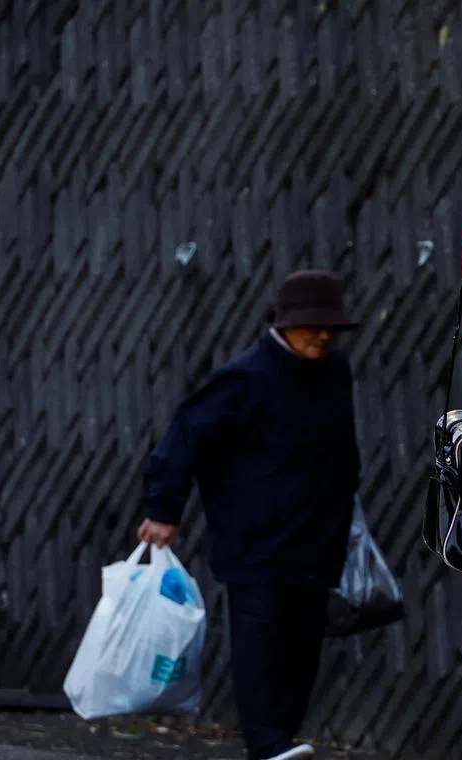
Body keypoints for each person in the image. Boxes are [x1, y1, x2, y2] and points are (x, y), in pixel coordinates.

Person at [137, 269, 362, 760]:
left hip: (318, 537)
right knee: (261, 642)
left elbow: (343, 450)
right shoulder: (247, 376)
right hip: (254, 540)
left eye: (330, 327)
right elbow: (186, 435)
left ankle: (280, 740)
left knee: (303, 647)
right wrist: (163, 508)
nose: (322, 335)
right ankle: (267, 745)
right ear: (282, 324)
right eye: (311, 325)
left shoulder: (334, 371)